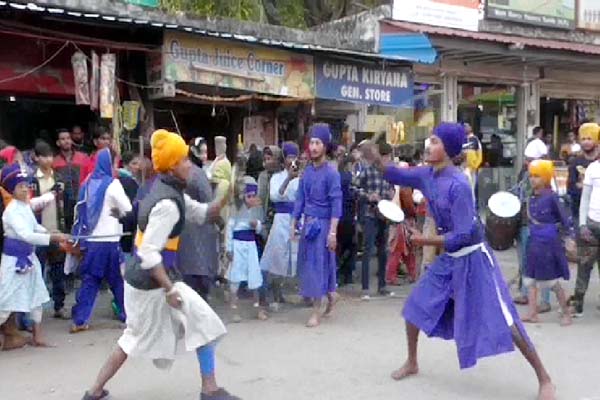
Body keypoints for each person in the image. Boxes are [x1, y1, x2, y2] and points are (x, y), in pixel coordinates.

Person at [361, 122, 556, 400]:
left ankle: (544, 378)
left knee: (506, 320)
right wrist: (374, 158)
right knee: (413, 307)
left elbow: (464, 235)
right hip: (450, 259)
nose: (429, 145)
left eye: (436, 141)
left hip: (473, 259)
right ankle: (413, 361)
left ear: (449, 149)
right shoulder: (426, 175)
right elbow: (393, 173)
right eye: (430, 140)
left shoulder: (459, 184)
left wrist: (424, 241)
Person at [81, 129, 238, 400]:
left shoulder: (168, 190)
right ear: (173, 165)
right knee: (132, 339)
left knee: (202, 322)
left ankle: (209, 389)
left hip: (150, 281)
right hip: (149, 285)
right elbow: (150, 253)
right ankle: (94, 391)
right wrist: (169, 289)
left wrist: (224, 195)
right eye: (185, 160)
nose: (189, 164)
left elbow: (200, 213)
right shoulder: (167, 203)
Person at [0, 163, 67, 347]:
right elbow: (26, 234)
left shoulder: (25, 206)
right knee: (5, 302)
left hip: (30, 258)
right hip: (14, 262)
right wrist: (52, 238)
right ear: (12, 190)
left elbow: (34, 227)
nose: (25, 189)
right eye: (20, 187)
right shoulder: (11, 210)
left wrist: (51, 232)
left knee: (37, 296)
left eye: (26, 186)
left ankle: (37, 337)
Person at [70, 148, 132, 333]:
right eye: (115, 163)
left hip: (91, 240)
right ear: (109, 163)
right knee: (117, 281)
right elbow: (128, 210)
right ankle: (128, 316)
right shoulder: (113, 184)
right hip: (110, 241)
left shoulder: (87, 182)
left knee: (91, 279)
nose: (116, 167)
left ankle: (80, 320)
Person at [292, 124, 342, 328]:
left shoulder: (332, 174)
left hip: (323, 226)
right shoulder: (306, 173)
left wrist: (332, 232)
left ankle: (315, 312)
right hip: (308, 225)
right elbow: (300, 199)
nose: (313, 147)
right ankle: (332, 296)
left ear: (325, 146)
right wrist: (294, 222)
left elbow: (336, 204)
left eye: (317, 143)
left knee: (318, 267)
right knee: (311, 265)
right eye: (311, 142)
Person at [521, 160, 574, 326]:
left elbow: (565, 219)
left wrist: (569, 238)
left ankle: (566, 313)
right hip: (534, 241)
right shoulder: (531, 197)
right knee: (530, 279)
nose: (533, 180)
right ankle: (532, 313)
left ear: (545, 177)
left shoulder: (552, 198)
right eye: (531, 176)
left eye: (537, 176)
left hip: (548, 242)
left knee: (551, 282)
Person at [178, 137, 219, 300]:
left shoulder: (182, 171)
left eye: (206, 152)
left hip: (182, 229)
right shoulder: (199, 173)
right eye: (201, 152)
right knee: (200, 274)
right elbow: (208, 200)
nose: (204, 156)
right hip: (200, 229)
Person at [260, 142, 300, 306]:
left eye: (294, 157)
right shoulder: (276, 177)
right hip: (280, 218)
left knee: (295, 256)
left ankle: (302, 293)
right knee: (276, 255)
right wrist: (288, 179)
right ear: (284, 159)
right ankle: (272, 290)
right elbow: (276, 196)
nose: (292, 160)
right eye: (289, 157)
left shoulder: (301, 178)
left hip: (296, 218)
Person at [32, 140, 69, 319]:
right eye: (44, 156)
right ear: (36, 158)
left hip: (56, 229)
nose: (48, 160)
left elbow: (68, 203)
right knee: (36, 271)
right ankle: (33, 312)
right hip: (38, 232)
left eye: (50, 156)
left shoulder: (59, 177)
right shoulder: (32, 180)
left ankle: (59, 306)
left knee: (58, 270)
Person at [357, 142, 394, 300]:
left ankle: (382, 285)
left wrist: (391, 193)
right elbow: (354, 188)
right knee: (367, 250)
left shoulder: (388, 173)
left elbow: (392, 188)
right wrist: (368, 196)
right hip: (370, 214)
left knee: (383, 251)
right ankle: (365, 287)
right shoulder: (366, 171)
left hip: (384, 214)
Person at [227, 176, 266, 322]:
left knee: (255, 275)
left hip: (251, 246)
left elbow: (261, 228)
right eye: (249, 196)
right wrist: (229, 249)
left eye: (253, 196)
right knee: (236, 277)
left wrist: (256, 225)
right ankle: (233, 308)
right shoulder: (236, 210)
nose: (251, 199)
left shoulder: (256, 210)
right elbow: (229, 230)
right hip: (238, 245)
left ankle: (257, 308)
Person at [570, 127, 600, 317]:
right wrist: (582, 224)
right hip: (592, 224)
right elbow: (585, 199)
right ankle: (578, 302)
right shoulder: (593, 168)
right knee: (584, 265)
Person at [53, 129, 90, 231]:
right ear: (58, 142)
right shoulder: (54, 162)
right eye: (63, 139)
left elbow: (89, 177)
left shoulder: (83, 157)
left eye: (68, 138)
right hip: (63, 202)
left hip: (81, 198)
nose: (66, 141)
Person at [567, 123, 598, 222]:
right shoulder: (575, 162)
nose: (586, 142)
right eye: (583, 139)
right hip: (578, 211)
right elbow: (571, 187)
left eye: (589, 139)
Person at [337, 154, 356, 286]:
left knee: (339, 245)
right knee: (351, 245)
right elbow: (354, 195)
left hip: (338, 215)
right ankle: (347, 273)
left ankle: (338, 272)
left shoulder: (337, 177)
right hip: (348, 215)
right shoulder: (350, 178)